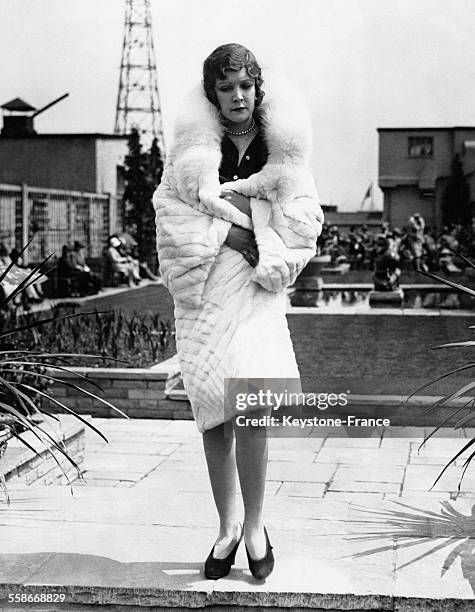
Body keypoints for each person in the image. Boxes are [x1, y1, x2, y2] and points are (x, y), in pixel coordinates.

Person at [153, 43, 323, 580]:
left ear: (258, 88)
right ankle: (226, 527)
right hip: (205, 292)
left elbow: (304, 218)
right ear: (213, 94)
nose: (237, 96)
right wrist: (238, 228)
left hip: (256, 291)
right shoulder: (191, 149)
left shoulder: (283, 147)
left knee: (252, 406)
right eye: (225, 87)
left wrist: (259, 234)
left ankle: (255, 525)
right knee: (213, 412)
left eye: (244, 85)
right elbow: (171, 215)